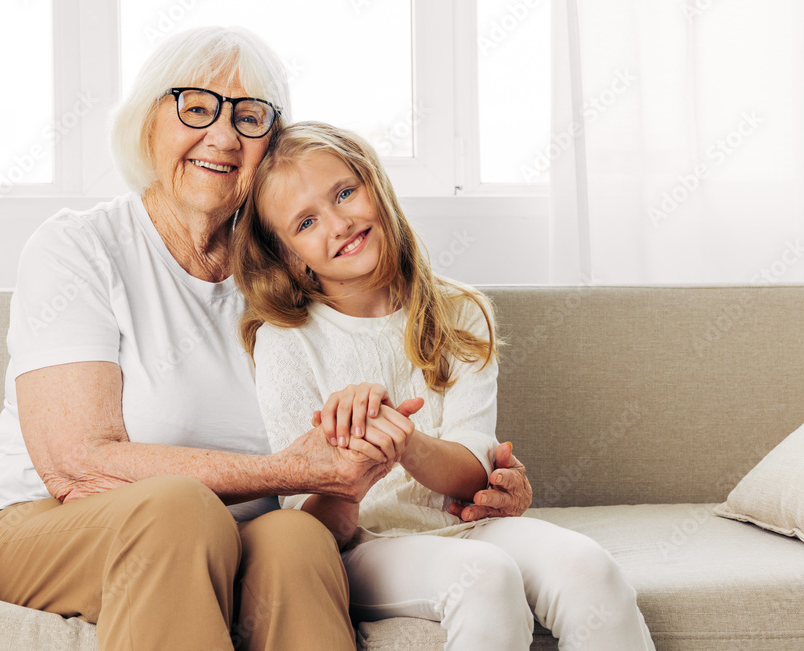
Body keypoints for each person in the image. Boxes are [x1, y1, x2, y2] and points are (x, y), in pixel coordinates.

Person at [0, 26, 532, 650]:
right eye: (196, 108)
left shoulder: (296, 267)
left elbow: (386, 382)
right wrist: (287, 469)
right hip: (43, 528)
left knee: (296, 538)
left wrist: (478, 483)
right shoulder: (78, 249)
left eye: (250, 118)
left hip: (230, 536)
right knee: (181, 510)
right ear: (146, 123)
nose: (224, 136)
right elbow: (79, 465)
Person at [232, 121, 656, 650]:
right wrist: (358, 457)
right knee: (481, 577)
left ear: (377, 188)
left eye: (345, 193)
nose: (338, 223)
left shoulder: (460, 312)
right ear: (292, 256)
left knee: (589, 567)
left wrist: (405, 442)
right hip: (365, 543)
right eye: (306, 222)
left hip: (463, 526)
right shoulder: (287, 341)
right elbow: (309, 525)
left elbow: (474, 471)